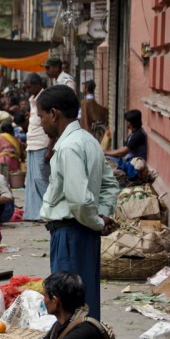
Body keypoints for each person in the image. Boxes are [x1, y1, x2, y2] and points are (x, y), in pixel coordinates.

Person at [38, 85, 119, 321]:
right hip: (83, 232)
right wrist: (102, 216)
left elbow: (79, 200)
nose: (41, 123)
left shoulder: (69, 146)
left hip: (71, 233)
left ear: (54, 114)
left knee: (68, 305)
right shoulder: (88, 140)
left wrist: (97, 221)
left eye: (42, 117)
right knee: (85, 299)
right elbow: (109, 185)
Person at [23, 73, 51, 221]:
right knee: (32, 180)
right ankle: (36, 212)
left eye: (29, 87)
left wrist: (50, 147)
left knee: (41, 178)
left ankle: (50, 209)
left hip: (42, 143)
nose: (28, 90)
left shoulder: (44, 99)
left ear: (37, 84)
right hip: (32, 143)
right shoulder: (33, 99)